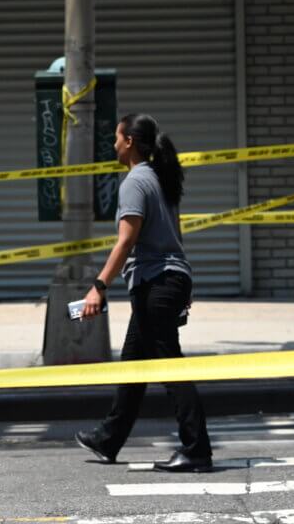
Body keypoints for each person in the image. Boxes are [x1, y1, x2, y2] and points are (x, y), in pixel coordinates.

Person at [74, 113, 213, 473]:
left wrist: (98, 287)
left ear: (130, 142)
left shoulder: (135, 181)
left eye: (117, 138)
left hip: (157, 283)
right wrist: (185, 284)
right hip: (167, 281)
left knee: (169, 365)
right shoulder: (160, 177)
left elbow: (126, 240)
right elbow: (175, 238)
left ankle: (197, 448)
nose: (113, 144)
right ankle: (110, 438)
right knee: (135, 364)